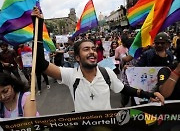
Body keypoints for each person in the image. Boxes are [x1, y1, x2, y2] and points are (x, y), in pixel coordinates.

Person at [31, 7, 164, 113]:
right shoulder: (70, 75)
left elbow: (125, 89)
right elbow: (41, 64)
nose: (92, 52)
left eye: (93, 49)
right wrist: (38, 25)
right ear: (77, 57)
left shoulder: (107, 73)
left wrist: (149, 94)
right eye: (86, 49)